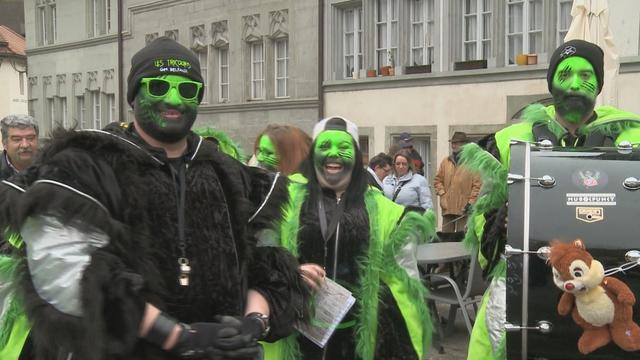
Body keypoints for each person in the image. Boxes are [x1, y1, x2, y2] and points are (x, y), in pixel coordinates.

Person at [6, 36, 308, 359]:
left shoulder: (228, 173)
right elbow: (65, 268)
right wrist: (176, 335)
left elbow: (264, 261)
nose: (174, 100)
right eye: (159, 87)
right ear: (134, 96)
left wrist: (252, 324)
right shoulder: (89, 165)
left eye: (187, 90)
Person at [463, 39, 640, 359]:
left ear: (599, 84)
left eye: (585, 75)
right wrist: (499, 225)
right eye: (565, 74)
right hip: (528, 289)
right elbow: (480, 214)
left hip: (610, 295)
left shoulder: (633, 136)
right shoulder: (509, 142)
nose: (575, 84)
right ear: (551, 82)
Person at [265, 116, 435, 359]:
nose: (333, 154)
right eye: (325, 147)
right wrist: (290, 272)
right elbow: (261, 259)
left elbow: (403, 283)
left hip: (357, 340)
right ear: (313, 154)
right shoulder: (283, 198)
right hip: (296, 333)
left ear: (356, 157)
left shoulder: (384, 211)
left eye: (343, 148)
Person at [433, 131, 481, 232]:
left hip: (463, 209)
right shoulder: (445, 162)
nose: (453, 145)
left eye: (457, 143)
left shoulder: (472, 163)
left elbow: (477, 186)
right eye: (452, 143)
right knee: (446, 241)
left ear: (464, 145)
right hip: (448, 208)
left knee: (461, 241)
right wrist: (442, 195)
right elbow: (437, 180)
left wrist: (470, 203)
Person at [1, 114, 39, 180]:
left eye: (30, 138)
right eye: (17, 139)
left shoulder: (52, 169)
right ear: (5, 144)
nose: (25, 145)